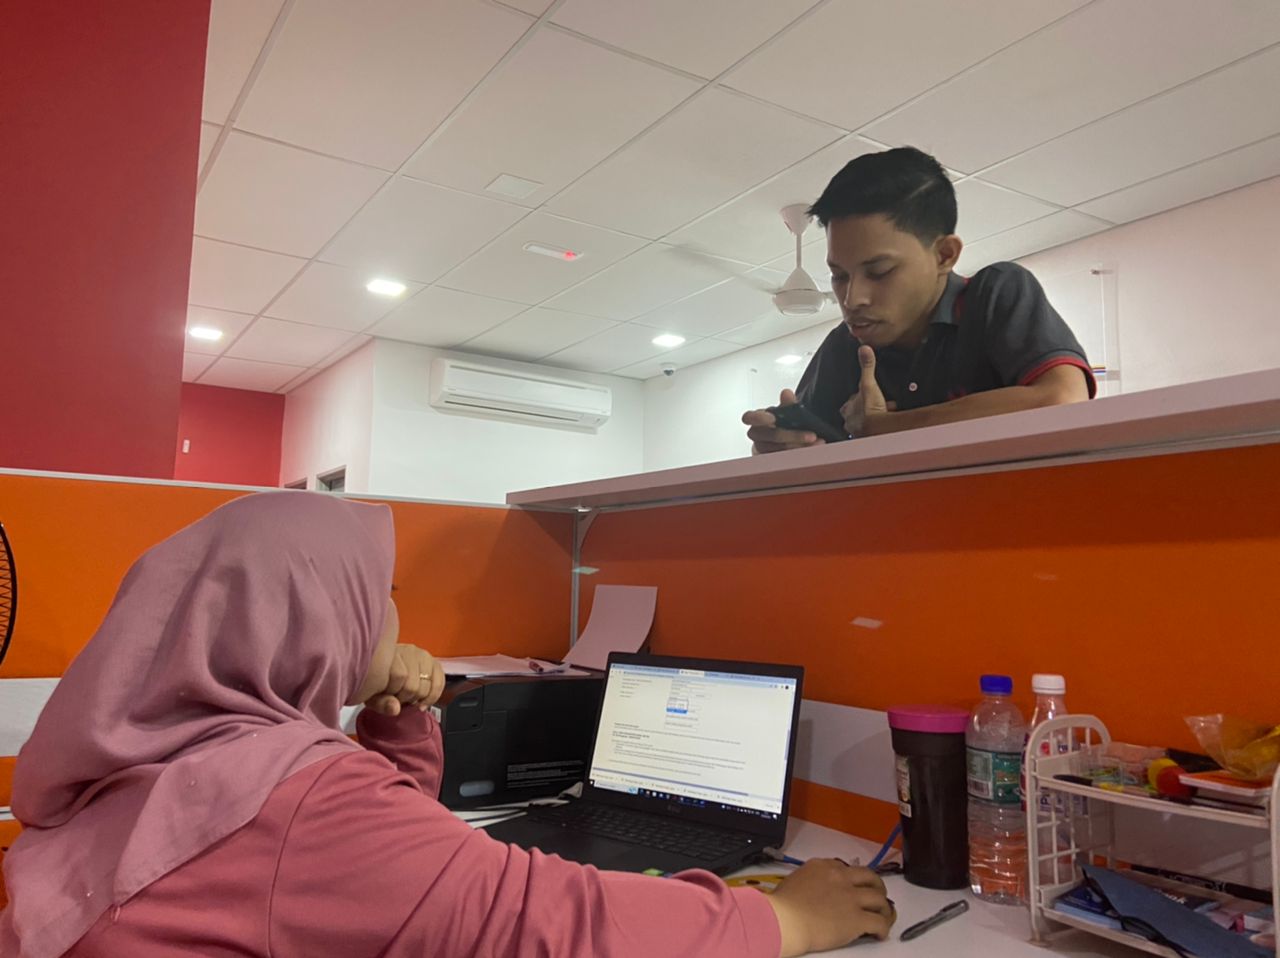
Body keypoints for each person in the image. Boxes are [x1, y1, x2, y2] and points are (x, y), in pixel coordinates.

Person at [0, 493, 895, 957]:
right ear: (318, 615)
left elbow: (375, 876)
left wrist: (397, 724)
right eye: (379, 595)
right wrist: (789, 920)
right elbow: (550, 926)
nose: (391, 617)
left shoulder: (165, 757)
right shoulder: (296, 799)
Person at [744, 147, 1095, 454]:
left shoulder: (993, 293)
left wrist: (887, 427)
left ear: (944, 255)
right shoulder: (845, 345)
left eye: (879, 272)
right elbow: (808, 453)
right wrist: (780, 445)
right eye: (839, 276)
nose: (852, 299)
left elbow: (1062, 399)